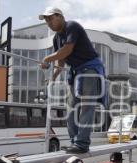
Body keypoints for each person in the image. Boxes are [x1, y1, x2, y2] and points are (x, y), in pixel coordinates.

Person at [38, 7, 105, 154]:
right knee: (71, 108)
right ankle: (75, 142)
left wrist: (47, 58)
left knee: (87, 106)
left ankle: (82, 143)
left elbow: (66, 50)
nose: (48, 22)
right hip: (76, 72)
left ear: (60, 16)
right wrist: (53, 78)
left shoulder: (71, 26)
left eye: (50, 18)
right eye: (46, 20)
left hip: (90, 69)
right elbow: (60, 62)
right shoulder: (57, 39)